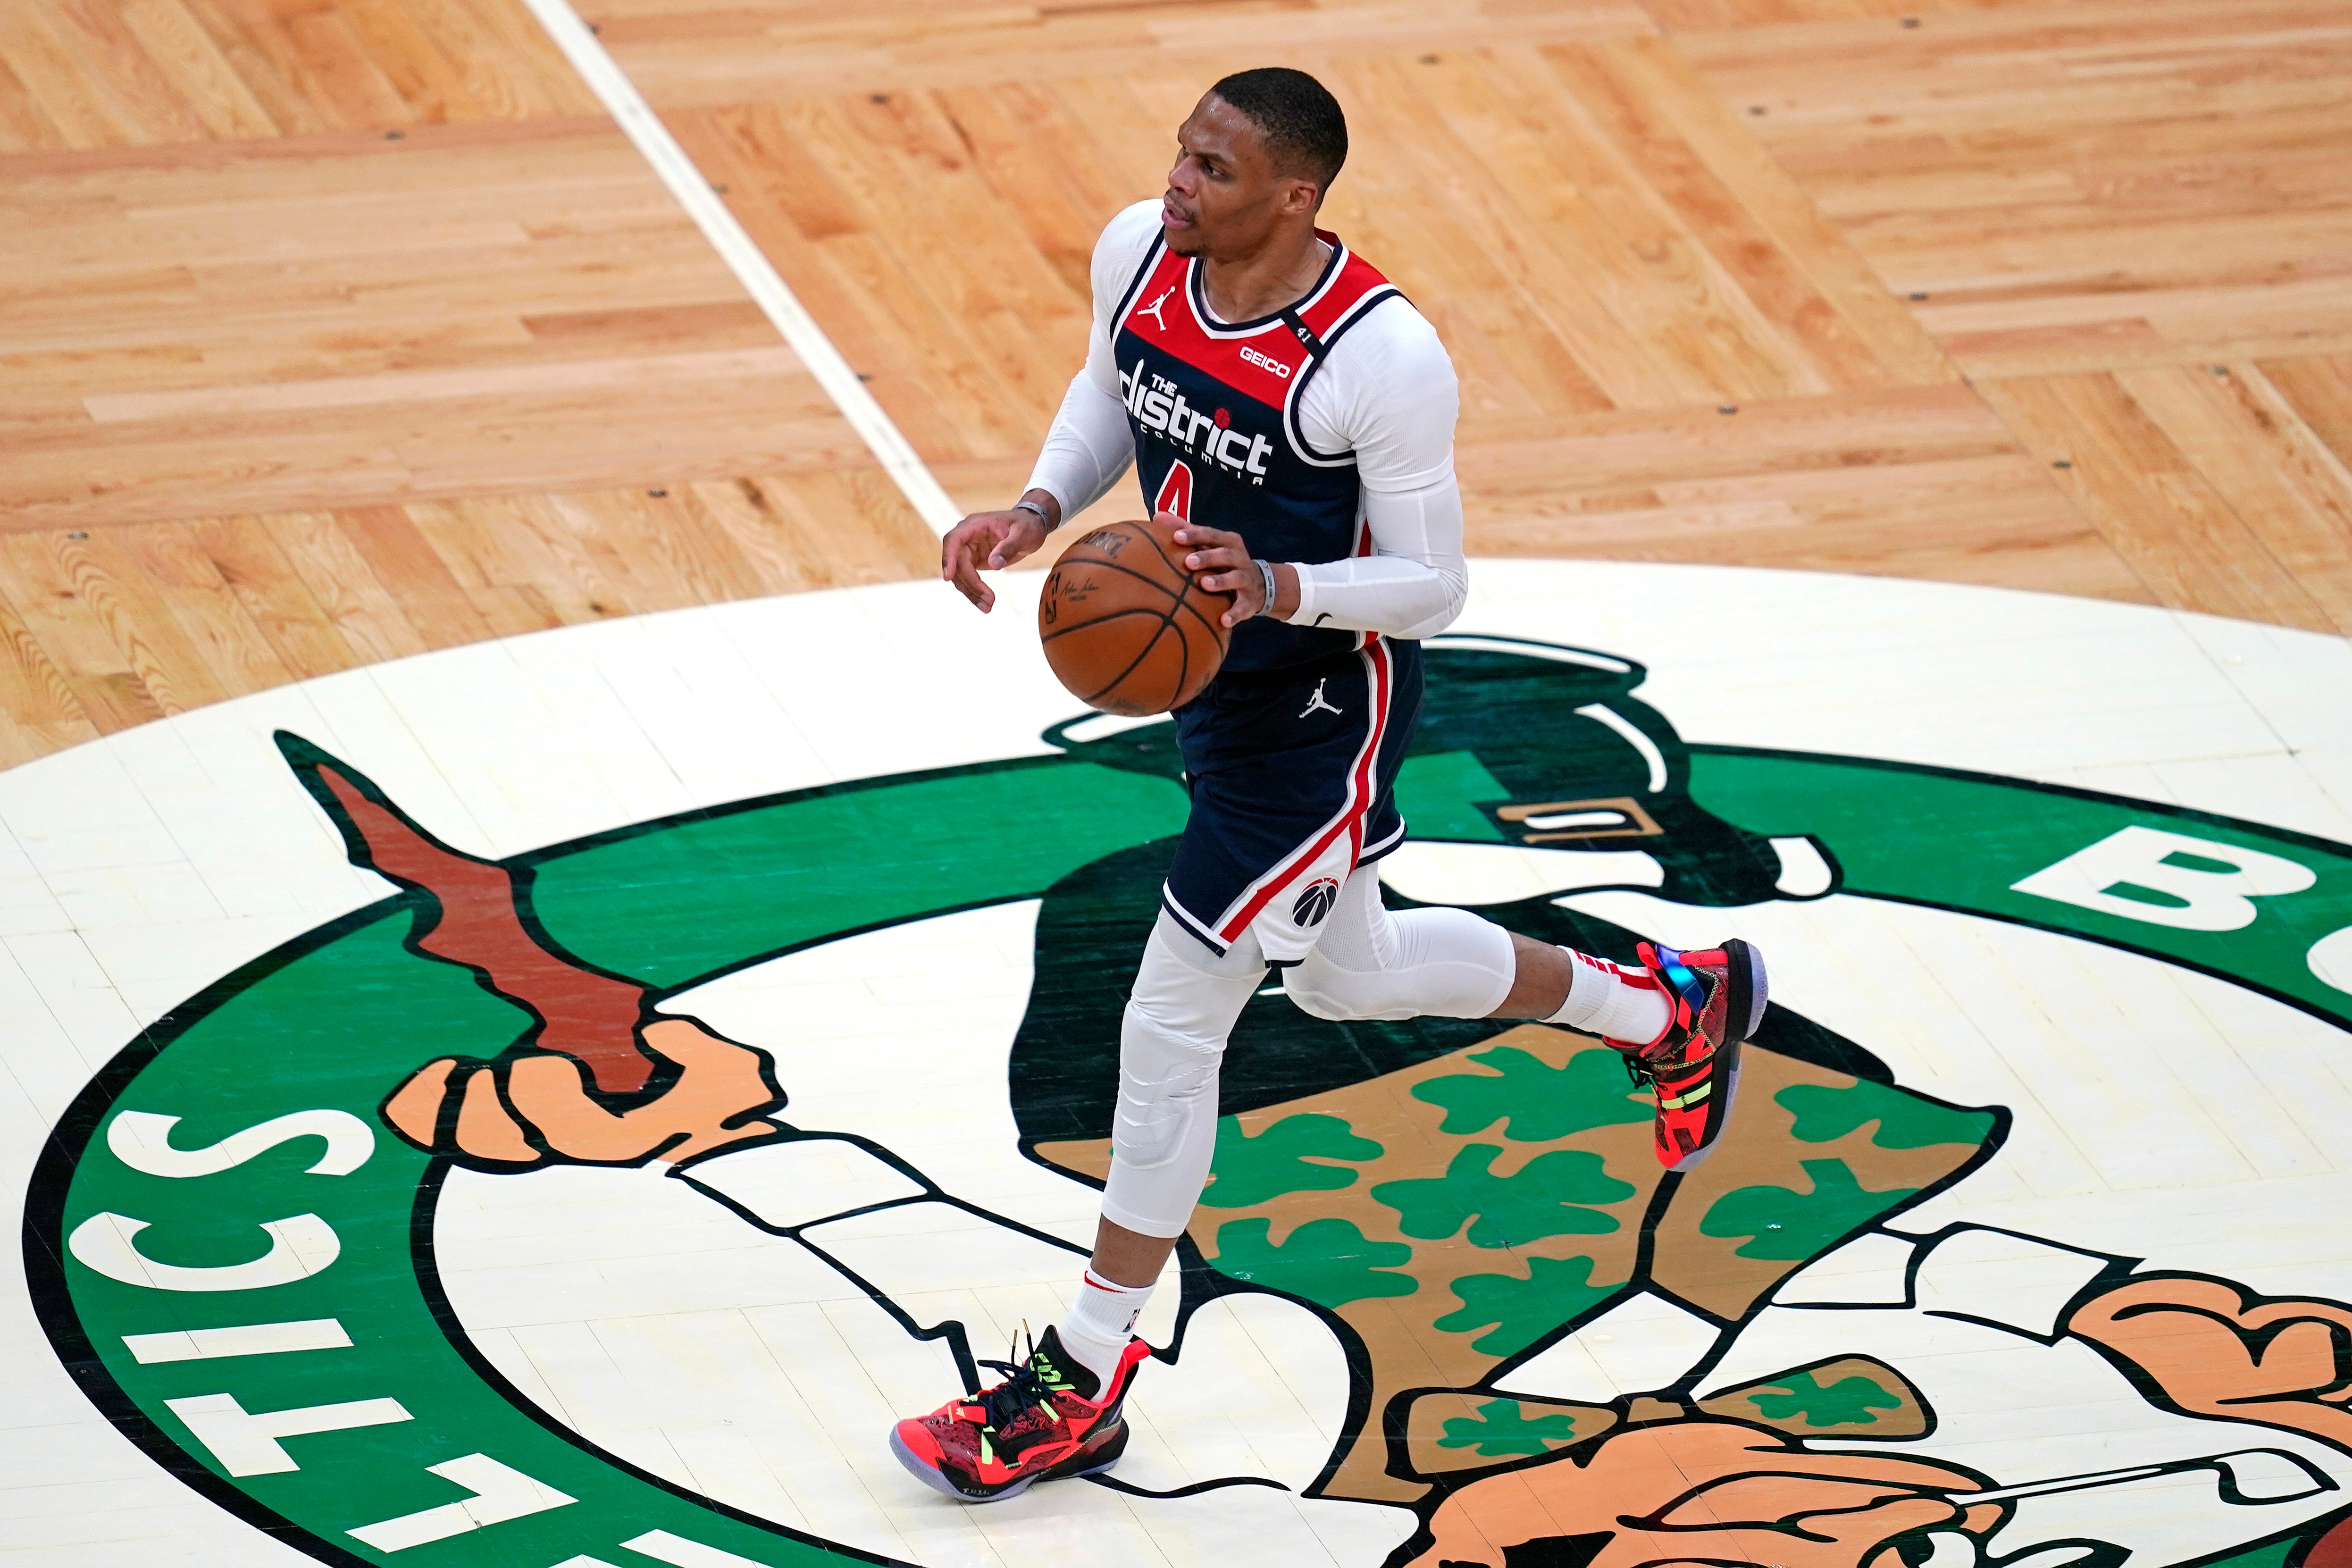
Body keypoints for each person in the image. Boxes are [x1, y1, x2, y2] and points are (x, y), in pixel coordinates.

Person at [894, 66, 1768, 1505]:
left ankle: (1082, 1372)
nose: (1179, 185)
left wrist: (1282, 584)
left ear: (1295, 197)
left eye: (1215, 173)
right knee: (1345, 977)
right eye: (1180, 155)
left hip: (1316, 704)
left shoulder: (1379, 354)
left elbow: (1434, 583)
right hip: (1208, 679)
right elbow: (1112, 390)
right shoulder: (1140, 254)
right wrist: (1041, 506)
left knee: (1170, 1021)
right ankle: (1665, 1003)